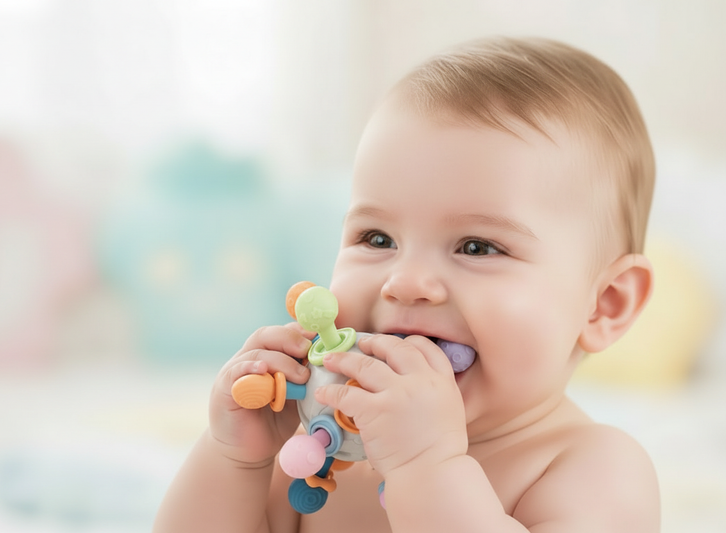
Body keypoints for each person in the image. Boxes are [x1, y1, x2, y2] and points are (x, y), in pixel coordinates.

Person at [153, 36, 660, 533]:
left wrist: (426, 468)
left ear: (603, 306)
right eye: (377, 238)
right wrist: (235, 458)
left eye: (477, 246)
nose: (405, 282)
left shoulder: (598, 469)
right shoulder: (319, 449)